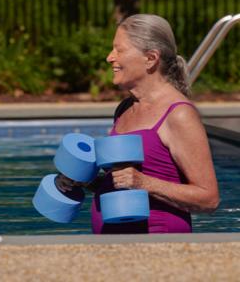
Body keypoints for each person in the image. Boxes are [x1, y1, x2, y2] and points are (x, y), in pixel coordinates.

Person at [58, 14, 220, 234]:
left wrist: (144, 183)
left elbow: (208, 198)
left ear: (151, 58)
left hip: (159, 246)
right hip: (113, 247)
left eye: (119, 50)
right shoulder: (125, 109)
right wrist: (84, 181)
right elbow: (121, 183)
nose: (109, 58)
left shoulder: (179, 114)